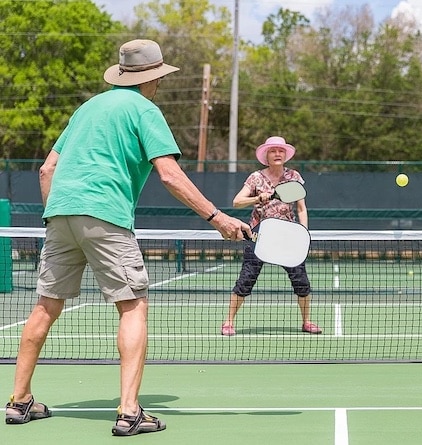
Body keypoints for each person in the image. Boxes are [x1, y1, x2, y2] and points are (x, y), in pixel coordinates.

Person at [4, 39, 251, 435]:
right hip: (106, 215)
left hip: (59, 215)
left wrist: (55, 217)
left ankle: (19, 401)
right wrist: (216, 217)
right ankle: (129, 411)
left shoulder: (86, 108)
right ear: (152, 78)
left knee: (45, 307)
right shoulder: (145, 110)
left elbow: (46, 170)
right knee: (133, 306)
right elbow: (169, 174)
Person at [221, 136, 322, 336]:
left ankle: (307, 321)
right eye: (273, 150)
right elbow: (236, 202)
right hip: (259, 234)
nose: (277, 153)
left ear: (285, 155)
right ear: (266, 155)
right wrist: (258, 197)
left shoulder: (294, 176)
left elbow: (301, 208)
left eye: (281, 150)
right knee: (246, 278)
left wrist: (304, 233)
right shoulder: (256, 178)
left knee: (301, 280)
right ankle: (228, 322)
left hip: (288, 236)